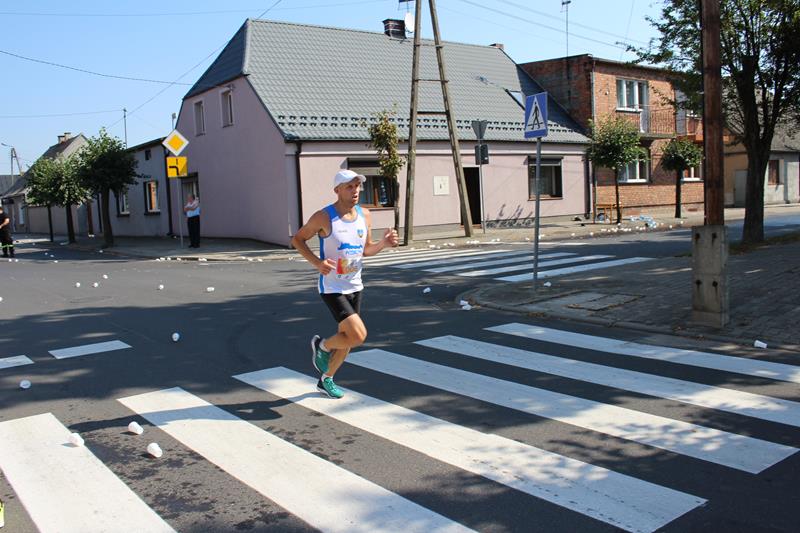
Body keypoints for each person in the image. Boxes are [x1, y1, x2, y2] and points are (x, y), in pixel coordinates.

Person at [291, 169, 399, 398]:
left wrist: (384, 243)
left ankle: (326, 379)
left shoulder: (365, 215)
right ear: (337, 190)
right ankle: (322, 346)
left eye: (357, 186)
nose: (355, 190)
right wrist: (317, 263)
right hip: (332, 287)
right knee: (358, 335)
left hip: (355, 285)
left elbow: (366, 250)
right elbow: (298, 239)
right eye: (349, 186)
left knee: (348, 338)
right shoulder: (323, 217)